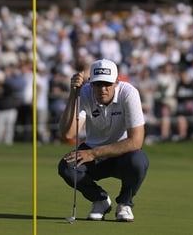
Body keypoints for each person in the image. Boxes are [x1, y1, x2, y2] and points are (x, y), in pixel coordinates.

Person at [58, 59, 149, 222]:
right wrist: (73, 94)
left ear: (116, 82)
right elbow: (68, 134)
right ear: (91, 83)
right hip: (94, 153)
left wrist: (94, 153)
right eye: (98, 84)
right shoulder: (84, 92)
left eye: (107, 84)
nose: (103, 89)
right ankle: (100, 200)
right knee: (67, 167)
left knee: (139, 161)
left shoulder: (128, 93)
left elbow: (136, 142)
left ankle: (124, 204)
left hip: (122, 154)